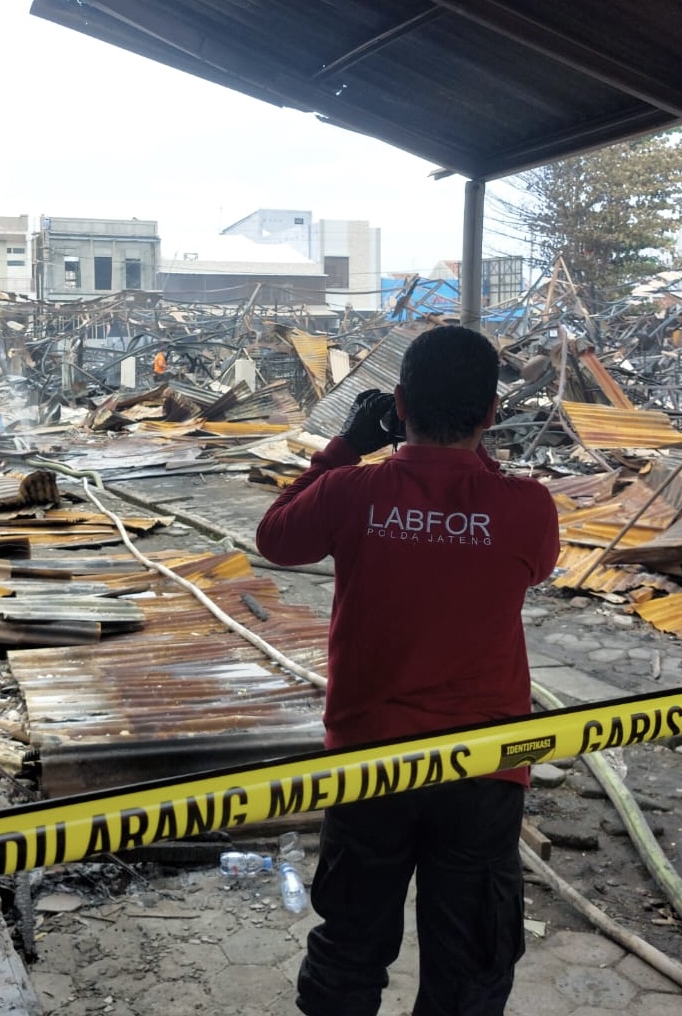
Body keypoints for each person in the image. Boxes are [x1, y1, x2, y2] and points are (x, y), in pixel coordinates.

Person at [256, 324, 560, 1016]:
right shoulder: (526, 507)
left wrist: (345, 446)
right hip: (486, 764)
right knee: (471, 961)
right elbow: (532, 565)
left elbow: (276, 537)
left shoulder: (350, 491)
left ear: (398, 405)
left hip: (369, 758)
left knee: (350, 943)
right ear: (491, 413)